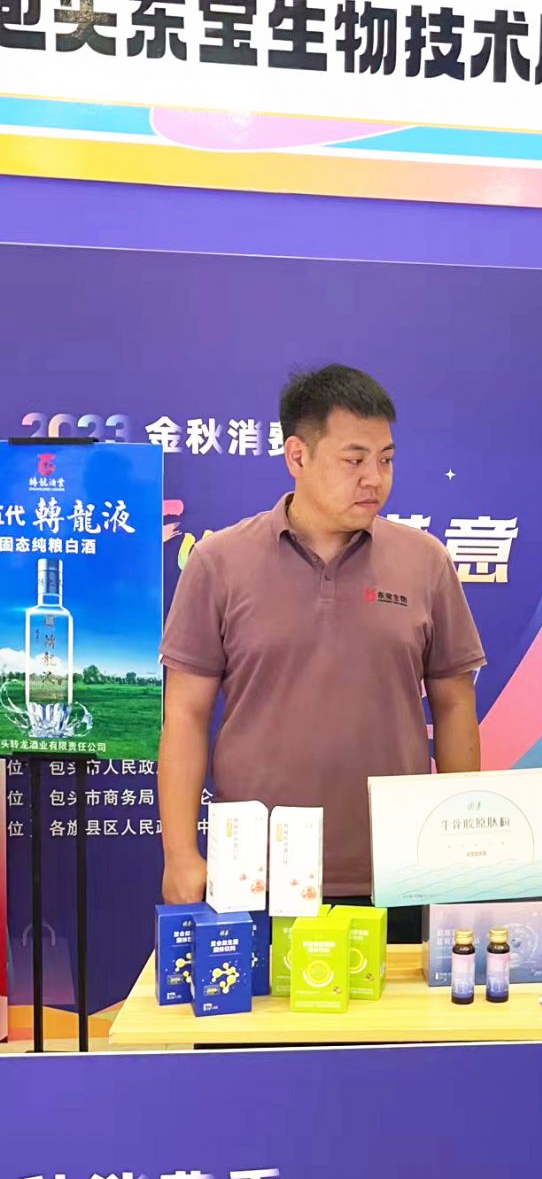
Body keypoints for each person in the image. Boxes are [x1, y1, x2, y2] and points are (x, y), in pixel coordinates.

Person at [157, 364, 485, 941]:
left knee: (396, 1004)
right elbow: (184, 715)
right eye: (353, 460)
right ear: (297, 456)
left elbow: (456, 705)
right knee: (253, 1006)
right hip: (254, 875)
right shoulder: (219, 563)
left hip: (396, 873)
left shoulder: (425, 562)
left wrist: (459, 846)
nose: (374, 479)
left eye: (386, 460)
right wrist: (181, 853)